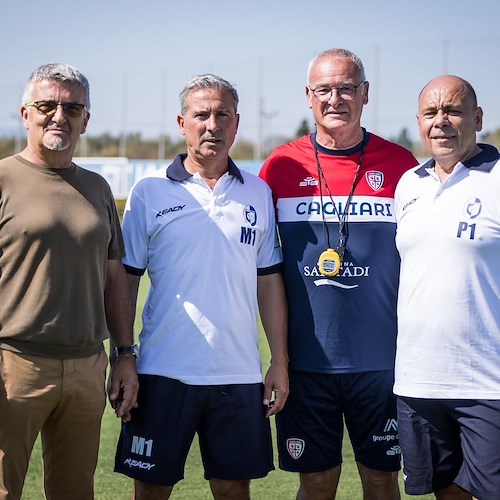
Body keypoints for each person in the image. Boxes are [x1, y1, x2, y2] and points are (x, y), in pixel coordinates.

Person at [114, 74, 289, 500]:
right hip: (162, 371)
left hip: (238, 372)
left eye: (222, 115)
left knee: (233, 489)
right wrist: (122, 356)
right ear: (182, 122)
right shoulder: (149, 191)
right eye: (201, 115)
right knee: (152, 489)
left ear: (236, 123)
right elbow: (124, 280)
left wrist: (279, 361)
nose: (212, 124)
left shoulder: (258, 192)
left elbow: (269, 282)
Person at [259, 48, 418, 499]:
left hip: (382, 363)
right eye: (324, 89)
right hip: (306, 364)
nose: (336, 98)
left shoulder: (401, 165)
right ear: (308, 97)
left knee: (382, 480)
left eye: (347, 87)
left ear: (365, 94)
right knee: (317, 481)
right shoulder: (280, 168)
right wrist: (278, 359)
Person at [0, 63, 138, 500]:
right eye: (47, 105)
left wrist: (124, 355)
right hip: (15, 363)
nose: (59, 115)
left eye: (72, 107)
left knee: (75, 491)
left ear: (86, 119)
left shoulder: (97, 188)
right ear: (26, 113)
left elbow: (115, 279)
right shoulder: (3, 179)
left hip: (86, 366)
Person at [394, 75, 500, 499]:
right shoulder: (408, 185)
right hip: (418, 381)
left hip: (489, 383)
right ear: (419, 122)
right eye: (431, 113)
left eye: (453, 111)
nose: (442, 122)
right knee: (445, 492)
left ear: (476, 118)